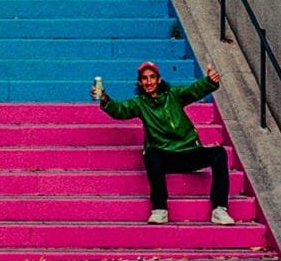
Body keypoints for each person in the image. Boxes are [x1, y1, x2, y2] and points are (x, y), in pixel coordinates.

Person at [95, 61, 235, 225]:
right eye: (144, 79)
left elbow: (193, 91)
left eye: (152, 77)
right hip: (166, 157)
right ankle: (159, 208)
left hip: (189, 152)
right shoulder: (140, 104)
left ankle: (219, 209)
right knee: (150, 153)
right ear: (140, 82)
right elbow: (120, 109)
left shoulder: (173, 95)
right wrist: (105, 99)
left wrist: (209, 81)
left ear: (159, 80)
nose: (149, 82)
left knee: (219, 152)